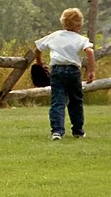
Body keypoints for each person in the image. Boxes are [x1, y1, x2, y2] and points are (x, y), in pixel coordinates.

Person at [34, 8, 95, 141]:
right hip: (73, 71)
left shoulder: (55, 35)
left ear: (63, 23)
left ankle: (57, 131)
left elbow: (37, 49)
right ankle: (78, 131)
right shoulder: (81, 39)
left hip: (57, 70)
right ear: (79, 25)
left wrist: (39, 63)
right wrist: (90, 70)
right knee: (76, 101)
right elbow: (90, 52)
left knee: (58, 101)